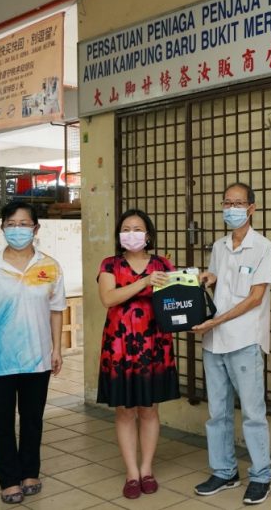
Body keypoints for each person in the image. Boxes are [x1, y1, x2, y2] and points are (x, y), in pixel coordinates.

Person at [0, 201, 65, 504]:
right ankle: (9, 480)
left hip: (38, 358)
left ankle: (30, 472)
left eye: (24, 224)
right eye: (11, 224)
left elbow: (56, 310)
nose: (17, 229)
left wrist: (57, 349)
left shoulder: (50, 266)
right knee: (2, 422)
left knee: (33, 419)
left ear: (36, 228)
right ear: (2, 228)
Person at [192, 182, 271, 506]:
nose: (232, 209)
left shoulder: (262, 247)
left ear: (251, 208)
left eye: (238, 203)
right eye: (227, 202)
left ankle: (261, 476)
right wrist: (208, 279)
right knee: (218, 412)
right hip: (214, 342)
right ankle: (225, 471)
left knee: (253, 413)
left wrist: (216, 321)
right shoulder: (219, 246)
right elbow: (218, 283)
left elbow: (255, 298)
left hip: (244, 340)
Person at [97, 209, 180, 499]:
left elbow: (176, 297)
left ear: (148, 234)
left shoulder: (163, 264)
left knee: (149, 408)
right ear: (119, 234)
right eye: (126, 229)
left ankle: (147, 469)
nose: (131, 234)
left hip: (154, 343)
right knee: (124, 410)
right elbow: (109, 298)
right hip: (119, 346)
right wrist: (144, 282)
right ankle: (131, 473)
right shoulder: (110, 264)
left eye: (137, 228)